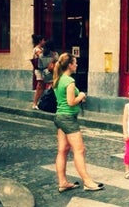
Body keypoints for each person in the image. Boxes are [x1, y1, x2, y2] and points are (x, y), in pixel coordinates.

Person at [52, 52, 104, 192]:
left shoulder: (58, 79)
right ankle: (87, 182)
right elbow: (70, 102)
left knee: (62, 150)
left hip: (60, 117)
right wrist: (81, 95)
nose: (77, 65)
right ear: (69, 65)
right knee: (79, 150)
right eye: (75, 62)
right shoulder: (69, 81)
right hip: (68, 118)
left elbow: (64, 100)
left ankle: (62, 182)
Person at [31, 34, 46, 109]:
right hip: (39, 70)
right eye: (43, 40)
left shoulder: (42, 49)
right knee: (39, 86)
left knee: (42, 86)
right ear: (40, 41)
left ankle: (38, 102)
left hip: (42, 70)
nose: (44, 41)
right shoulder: (37, 49)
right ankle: (34, 103)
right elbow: (41, 56)